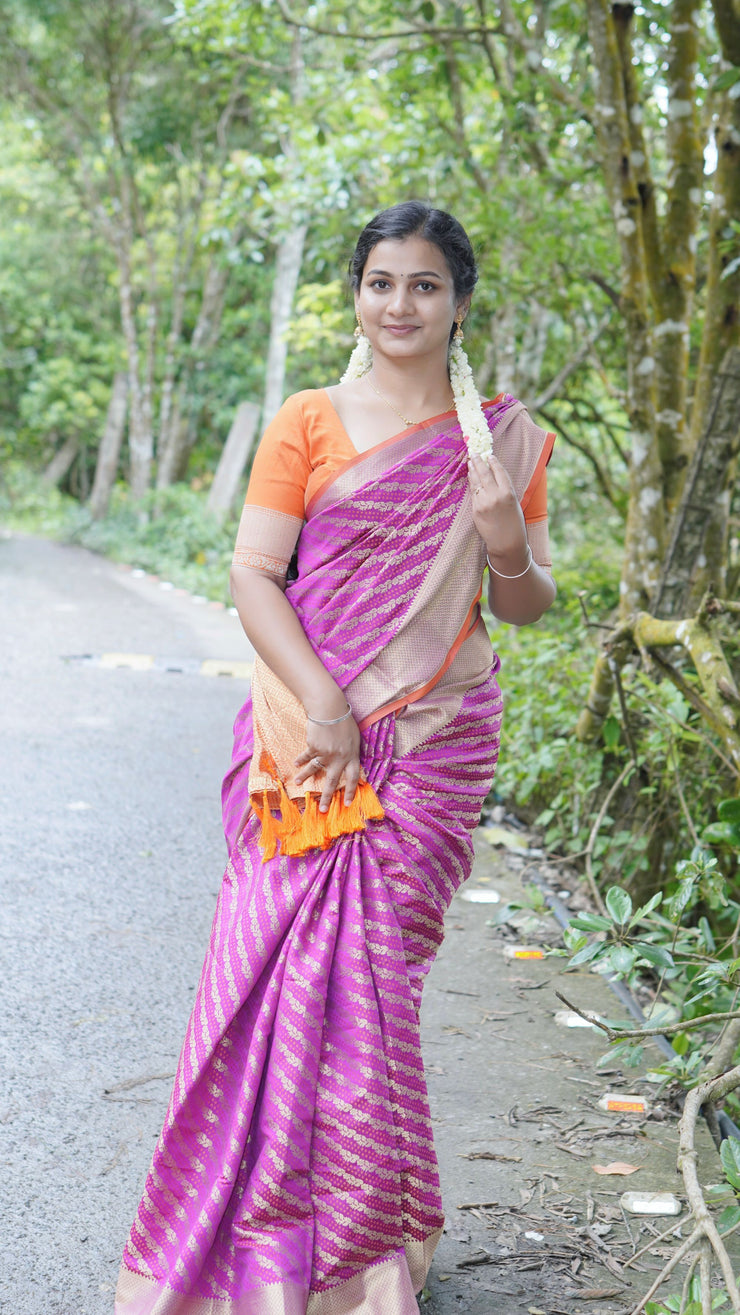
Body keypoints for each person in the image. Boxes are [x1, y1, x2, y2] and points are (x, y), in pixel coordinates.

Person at [115, 201, 556, 1315]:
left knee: (371, 1003)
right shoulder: (307, 418)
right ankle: (245, 1243)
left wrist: (503, 537)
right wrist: (320, 703)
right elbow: (255, 574)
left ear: (458, 305)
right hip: (302, 748)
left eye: (422, 285)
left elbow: (527, 603)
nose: (398, 304)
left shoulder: (500, 441)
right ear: (355, 296)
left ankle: (361, 1258)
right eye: (379, 283)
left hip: (433, 744)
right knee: (255, 985)